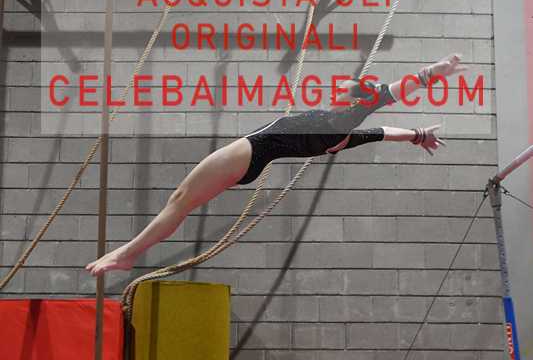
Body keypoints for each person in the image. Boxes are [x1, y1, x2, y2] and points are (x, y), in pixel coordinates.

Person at [86, 53, 466, 276]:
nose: (336, 92)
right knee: (182, 201)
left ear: (354, 102)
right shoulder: (345, 133)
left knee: (181, 200)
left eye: (344, 92)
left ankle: (128, 254)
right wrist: (417, 134)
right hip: (251, 158)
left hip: (251, 151)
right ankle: (129, 252)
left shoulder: (342, 120)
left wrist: (432, 73)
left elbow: (388, 96)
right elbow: (383, 132)